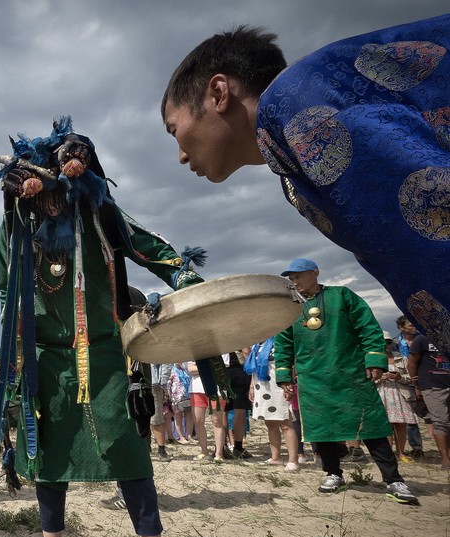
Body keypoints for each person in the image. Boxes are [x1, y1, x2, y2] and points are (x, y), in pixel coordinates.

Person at [0, 117, 210, 537]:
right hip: (48, 362)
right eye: (35, 189)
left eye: (52, 185)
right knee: (48, 460)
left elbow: (151, 249)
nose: (44, 198)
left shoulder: (99, 214)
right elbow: (6, 285)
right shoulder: (18, 228)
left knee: (131, 458)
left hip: (109, 356)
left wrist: (186, 285)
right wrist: (16, 329)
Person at [162, 17, 450, 356]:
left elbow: (432, 221)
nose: (180, 155)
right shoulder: (288, 141)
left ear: (219, 92)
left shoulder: (298, 105)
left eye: (173, 129)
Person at [274, 259, 418, 504]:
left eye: (299, 275)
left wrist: (374, 359)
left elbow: (368, 327)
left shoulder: (341, 296)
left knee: (370, 424)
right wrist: (285, 376)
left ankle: (394, 480)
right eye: (291, 278)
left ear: (316, 273)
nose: (295, 281)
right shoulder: (291, 307)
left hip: (350, 373)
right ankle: (333, 473)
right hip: (313, 378)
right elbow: (283, 343)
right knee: (323, 429)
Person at [245, 337, 299, 471]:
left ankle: (293, 459)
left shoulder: (280, 341)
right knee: (270, 423)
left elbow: (290, 362)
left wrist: (289, 383)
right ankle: (276, 457)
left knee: (285, 422)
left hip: (279, 385)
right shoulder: (257, 344)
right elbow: (254, 368)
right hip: (262, 387)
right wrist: (252, 386)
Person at [407, 331, 450, 470]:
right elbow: (412, 362)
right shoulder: (422, 339)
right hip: (432, 385)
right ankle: (445, 460)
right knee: (441, 421)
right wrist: (417, 386)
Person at [377, 330, 417, 463]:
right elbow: (366, 379)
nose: (386, 345)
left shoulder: (400, 357)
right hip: (381, 393)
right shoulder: (373, 360)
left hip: (399, 393)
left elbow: (411, 378)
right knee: (386, 425)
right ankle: (388, 454)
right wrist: (379, 378)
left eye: (388, 342)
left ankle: (401, 452)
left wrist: (399, 377)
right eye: (382, 342)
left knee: (400, 425)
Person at [396, 316, 428, 456]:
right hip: (404, 381)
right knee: (410, 417)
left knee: (428, 414)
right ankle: (416, 447)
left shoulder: (423, 340)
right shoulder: (396, 344)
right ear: (401, 327)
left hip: (423, 378)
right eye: (410, 325)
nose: (414, 327)